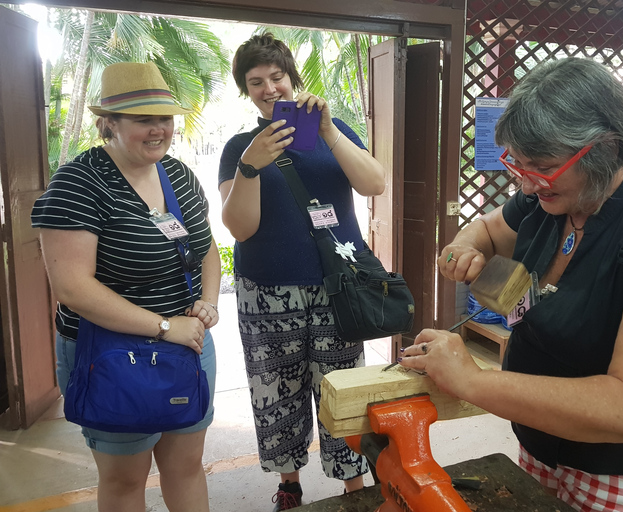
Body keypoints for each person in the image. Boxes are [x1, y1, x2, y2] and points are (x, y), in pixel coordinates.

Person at [399, 57, 623, 512]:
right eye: (519, 165)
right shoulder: (546, 198)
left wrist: (472, 381)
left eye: (543, 167)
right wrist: (463, 246)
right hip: (540, 438)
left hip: (622, 467)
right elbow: (486, 231)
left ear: (604, 150)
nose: (528, 184)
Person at [31, 62, 220, 512]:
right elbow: (73, 287)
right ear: (108, 124)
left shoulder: (178, 175)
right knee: (123, 479)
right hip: (111, 351)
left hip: (186, 343)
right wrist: (162, 326)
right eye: (143, 119)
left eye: (165, 118)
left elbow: (207, 248)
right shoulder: (80, 183)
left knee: (186, 465)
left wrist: (207, 303)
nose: (159, 129)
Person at [218, 33, 385, 510]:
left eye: (277, 77)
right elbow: (240, 229)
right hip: (267, 293)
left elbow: (375, 183)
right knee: (277, 389)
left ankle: (353, 483)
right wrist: (251, 167)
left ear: (292, 80)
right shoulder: (238, 148)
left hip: (340, 288)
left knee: (343, 388)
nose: (269, 88)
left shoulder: (336, 132)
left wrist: (330, 131)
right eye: (256, 82)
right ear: (246, 90)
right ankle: (289, 482)